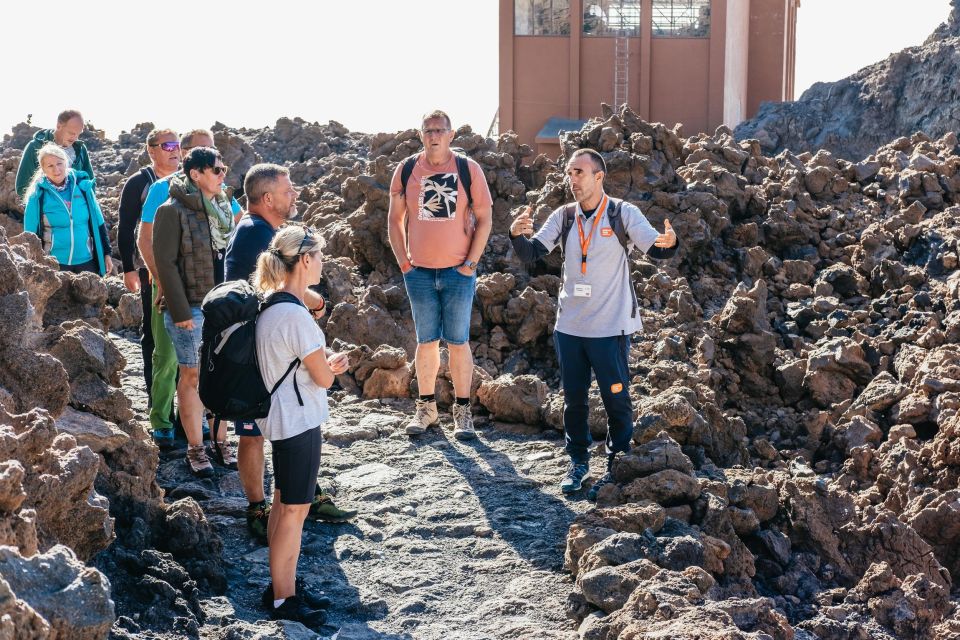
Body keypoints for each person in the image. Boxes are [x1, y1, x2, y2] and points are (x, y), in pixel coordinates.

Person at [509, 148, 679, 500]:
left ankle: (618, 458)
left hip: (610, 328)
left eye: (579, 173)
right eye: (569, 173)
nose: (572, 179)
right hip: (570, 328)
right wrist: (515, 235)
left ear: (599, 176)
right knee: (574, 400)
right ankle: (578, 462)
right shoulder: (564, 216)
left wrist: (670, 244)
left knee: (615, 396)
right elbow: (532, 254)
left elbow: (656, 249)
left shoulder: (622, 213)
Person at [224, 163, 356, 544]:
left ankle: (300, 495)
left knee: (267, 435)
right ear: (267, 198)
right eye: (287, 190)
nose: (293, 195)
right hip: (254, 360)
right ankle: (261, 508)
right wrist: (310, 305)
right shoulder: (256, 234)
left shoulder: (260, 231)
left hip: (260, 350)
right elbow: (271, 286)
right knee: (253, 434)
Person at [252, 224, 348, 628]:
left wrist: (321, 366)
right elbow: (323, 378)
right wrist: (334, 366)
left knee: (281, 503)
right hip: (297, 420)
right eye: (320, 256)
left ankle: (281, 585)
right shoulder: (296, 315)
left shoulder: (272, 304)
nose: (322, 263)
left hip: (280, 416)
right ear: (304, 260)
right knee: (295, 509)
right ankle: (282, 599)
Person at [387, 109, 493, 440]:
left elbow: (486, 218)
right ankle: (427, 409)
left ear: (450, 135)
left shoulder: (467, 169)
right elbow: (394, 220)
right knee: (426, 342)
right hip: (418, 273)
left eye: (440, 130)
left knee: (459, 342)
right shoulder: (406, 170)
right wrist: (405, 263)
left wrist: (470, 265)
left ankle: (462, 413)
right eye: (428, 130)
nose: (434, 135)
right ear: (421, 134)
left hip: (458, 273)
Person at [137, 129, 240, 448]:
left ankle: (196, 422)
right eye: (204, 153)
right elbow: (146, 240)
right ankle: (162, 420)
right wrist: (162, 284)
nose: (217, 165)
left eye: (216, 155)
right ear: (188, 158)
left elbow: (238, 230)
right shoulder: (161, 191)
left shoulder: (221, 196)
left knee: (204, 361)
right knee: (167, 357)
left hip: (211, 293)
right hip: (171, 290)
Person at [117, 128, 180, 405]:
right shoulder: (139, 183)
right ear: (151, 150)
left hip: (185, 270)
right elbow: (126, 226)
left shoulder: (190, 181)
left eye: (178, 144)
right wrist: (129, 268)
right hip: (150, 270)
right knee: (154, 334)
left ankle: (182, 401)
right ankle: (156, 398)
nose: (175, 150)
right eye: (167, 145)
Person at [22, 143, 112, 275]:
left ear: (66, 163)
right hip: (54, 264)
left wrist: (107, 254)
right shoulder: (37, 196)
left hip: (87, 261)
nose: (56, 169)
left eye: (59, 163)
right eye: (50, 166)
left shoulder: (83, 187)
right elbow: (30, 235)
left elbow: (99, 224)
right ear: (43, 169)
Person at [16, 109, 95, 199]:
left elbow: (90, 183)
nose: (75, 138)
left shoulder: (80, 149)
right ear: (58, 126)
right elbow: (22, 187)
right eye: (71, 133)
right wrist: (46, 205)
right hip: (48, 211)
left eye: (78, 134)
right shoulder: (34, 147)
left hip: (77, 210)